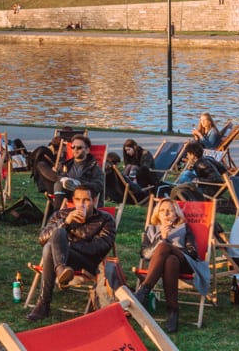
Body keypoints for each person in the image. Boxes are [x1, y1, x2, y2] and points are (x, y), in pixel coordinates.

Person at [25, 184, 116, 321]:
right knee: (53, 240)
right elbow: (42, 238)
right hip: (61, 260)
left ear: (94, 200)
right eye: (78, 200)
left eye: (86, 200)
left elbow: (99, 248)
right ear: (73, 200)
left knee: (52, 245)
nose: (81, 204)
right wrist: (66, 223)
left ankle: (44, 304)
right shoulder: (62, 215)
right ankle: (61, 270)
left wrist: (65, 246)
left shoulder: (105, 220)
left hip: (86, 262)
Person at [133, 199, 208, 333]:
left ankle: (144, 290)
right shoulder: (151, 229)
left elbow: (192, 253)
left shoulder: (184, 227)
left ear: (176, 214)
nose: (166, 213)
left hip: (185, 262)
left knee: (165, 247)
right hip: (166, 265)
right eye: (162, 210)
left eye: (170, 210)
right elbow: (145, 254)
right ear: (157, 213)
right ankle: (173, 310)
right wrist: (161, 237)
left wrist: (167, 244)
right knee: (170, 260)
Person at [50, 134, 105, 208]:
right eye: (73, 147)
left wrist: (80, 184)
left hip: (84, 194)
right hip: (67, 193)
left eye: (79, 147)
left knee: (58, 185)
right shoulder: (65, 165)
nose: (75, 149)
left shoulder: (94, 167)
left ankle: (56, 215)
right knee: (43, 167)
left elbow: (99, 185)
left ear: (87, 150)